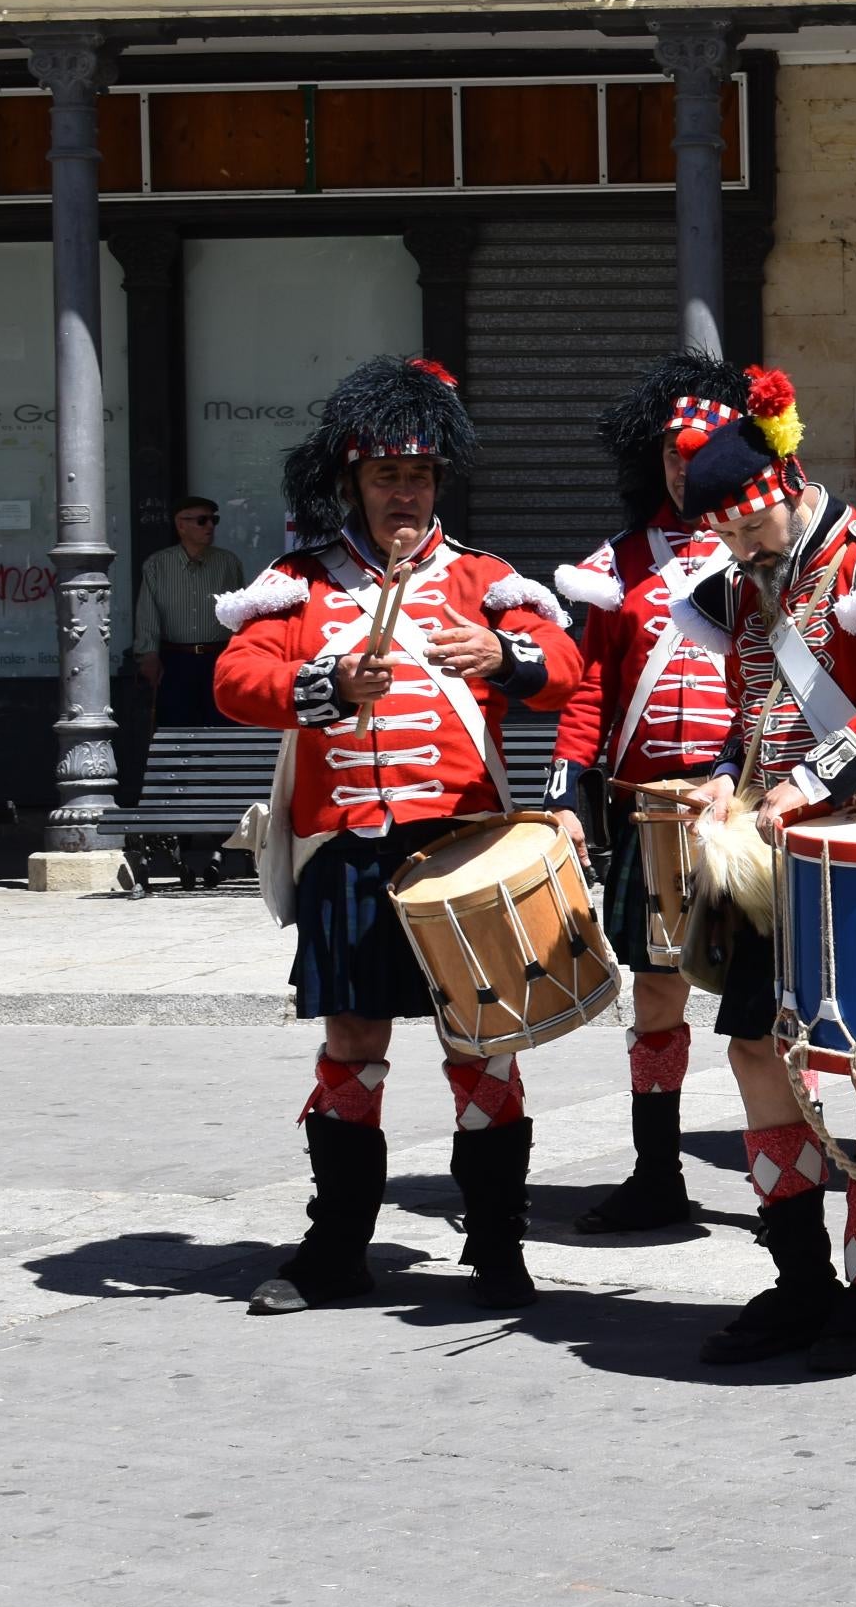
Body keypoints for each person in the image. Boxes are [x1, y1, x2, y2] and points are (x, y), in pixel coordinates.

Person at [211, 357, 582, 1315]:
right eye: (384, 477)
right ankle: (336, 1250)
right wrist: (326, 687)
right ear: (353, 484)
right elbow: (235, 680)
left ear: (439, 483)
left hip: (459, 850)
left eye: (417, 476)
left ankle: (497, 1249)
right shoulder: (298, 586)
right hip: (347, 854)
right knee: (351, 1043)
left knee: (484, 1047)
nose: (403, 493)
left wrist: (504, 657)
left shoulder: (486, 578)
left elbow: (567, 671)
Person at [663, 377, 856, 1375]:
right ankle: (800, 1278)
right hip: (769, 858)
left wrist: (811, 779)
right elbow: (748, 719)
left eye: (741, 522)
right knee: (755, 1050)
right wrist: (719, 783)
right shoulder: (749, 582)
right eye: (718, 529)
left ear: (784, 478)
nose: (733, 547)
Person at [545, 353, 749, 1235]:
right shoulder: (620, 562)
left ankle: (796, 1172)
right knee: (657, 994)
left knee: (764, 1000)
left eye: (700, 449)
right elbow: (588, 684)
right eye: (671, 452)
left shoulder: (765, 548)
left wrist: (740, 775)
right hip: (645, 809)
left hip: (743, 806)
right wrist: (565, 789)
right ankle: (657, 1173)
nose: (683, 465)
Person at [133, 496, 248, 730]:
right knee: (175, 724)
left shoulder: (228, 562)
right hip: (176, 660)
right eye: (202, 520)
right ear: (181, 525)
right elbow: (148, 612)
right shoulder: (157, 564)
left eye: (213, 520)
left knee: (224, 725)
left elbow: (240, 612)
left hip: (219, 657)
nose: (210, 526)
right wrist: (148, 654)